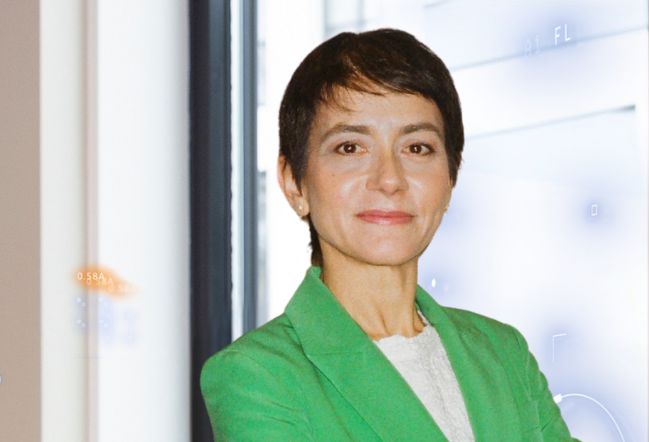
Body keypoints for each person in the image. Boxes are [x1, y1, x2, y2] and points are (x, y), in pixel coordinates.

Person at [200, 28, 578, 441]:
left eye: (417, 148)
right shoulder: (258, 375)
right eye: (350, 148)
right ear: (294, 183)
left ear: (450, 178)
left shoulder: (503, 353)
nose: (389, 179)